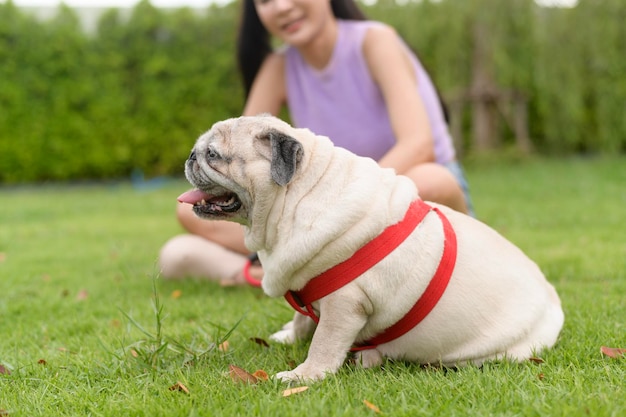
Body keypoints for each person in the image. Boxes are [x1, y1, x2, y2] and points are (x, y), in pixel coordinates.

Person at [158, 0, 473, 285]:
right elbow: (238, 161)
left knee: (431, 180)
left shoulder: (376, 40)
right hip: (327, 212)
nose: (281, 7)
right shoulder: (278, 68)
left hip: (401, 193)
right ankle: (273, 275)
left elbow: (419, 145)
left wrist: (340, 201)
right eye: (265, 1)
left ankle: (302, 271)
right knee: (188, 216)